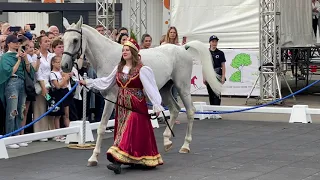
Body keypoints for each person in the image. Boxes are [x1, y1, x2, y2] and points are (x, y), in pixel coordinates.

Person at [80, 38, 164, 174]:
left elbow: (150, 88)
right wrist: (88, 82)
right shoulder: (119, 68)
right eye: (123, 50)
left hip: (136, 105)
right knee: (124, 132)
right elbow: (106, 82)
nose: (124, 52)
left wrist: (156, 104)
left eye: (127, 50)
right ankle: (132, 158)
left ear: (133, 52)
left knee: (128, 131)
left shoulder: (142, 69)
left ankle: (117, 162)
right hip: (122, 106)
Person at [204, 35, 226, 119]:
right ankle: (211, 111)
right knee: (210, 93)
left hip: (218, 74)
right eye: (213, 41)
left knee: (217, 93)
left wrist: (223, 76)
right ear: (209, 42)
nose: (214, 43)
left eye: (216, 41)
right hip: (209, 74)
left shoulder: (220, 53)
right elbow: (204, 65)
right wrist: (204, 77)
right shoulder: (206, 53)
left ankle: (216, 111)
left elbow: (223, 65)